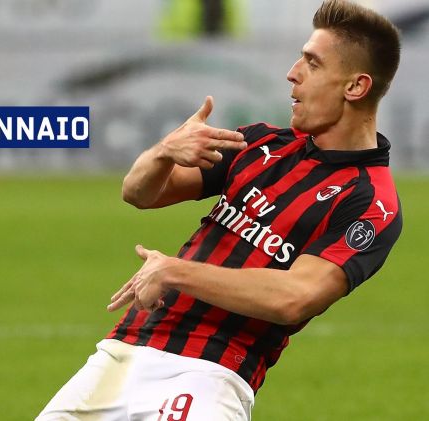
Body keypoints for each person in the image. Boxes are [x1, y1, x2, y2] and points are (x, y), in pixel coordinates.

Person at [36, 1, 402, 420]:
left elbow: (294, 297)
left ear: (356, 87)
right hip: (124, 349)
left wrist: (174, 271)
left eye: (312, 63)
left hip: (210, 373)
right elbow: (138, 193)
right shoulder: (262, 144)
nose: (293, 72)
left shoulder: (370, 201)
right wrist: (164, 152)